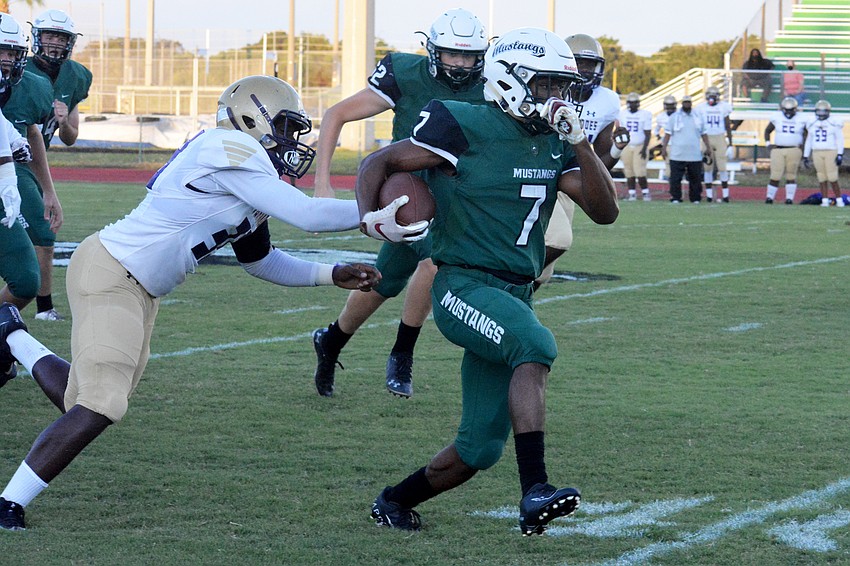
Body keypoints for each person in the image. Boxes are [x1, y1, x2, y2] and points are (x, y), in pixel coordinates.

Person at [0, 75, 384, 531]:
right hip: (112, 271)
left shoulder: (247, 170)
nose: (290, 139)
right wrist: (376, 212)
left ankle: (11, 332)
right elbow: (307, 214)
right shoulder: (227, 146)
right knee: (101, 404)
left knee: (80, 401)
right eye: (283, 125)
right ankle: (8, 503)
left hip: (136, 286)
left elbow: (260, 260)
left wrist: (329, 274)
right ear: (251, 116)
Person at [356, 28, 619, 536]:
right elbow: (380, 161)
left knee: (479, 448)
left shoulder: (552, 141)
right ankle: (536, 489)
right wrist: (369, 216)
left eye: (563, 88)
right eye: (547, 85)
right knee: (534, 343)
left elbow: (604, 211)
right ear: (511, 81)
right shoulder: (461, 122)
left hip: (516, 291)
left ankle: (394, 501)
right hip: (463, 286)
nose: (558, 98)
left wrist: (580, 141)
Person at [311, 8, 488, 398]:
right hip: (406, 193)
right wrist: (322, 180)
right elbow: (336, 113)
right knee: (385, 282)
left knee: (429, 263)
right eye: (452, 55)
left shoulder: (492, 86)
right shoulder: (405, 73)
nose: (460, 65)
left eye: (468, 56)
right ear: (431, 51)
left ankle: (381, 349)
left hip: (455, 194)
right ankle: (342, 343)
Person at [534, 32, 628, 290]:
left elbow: (595, 168)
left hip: (569, 180)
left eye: (591, 64)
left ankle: (518, 301)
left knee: (543, 274)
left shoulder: (608, 101)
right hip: (540, 171)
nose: (585, 70)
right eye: (580, 63)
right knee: (558, 240)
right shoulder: (548, 88)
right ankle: (504, 282)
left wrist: (617, 150)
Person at [0, 13, 61, 321]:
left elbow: (25, 131)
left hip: (5, 182)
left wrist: (48, 189)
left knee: (25, 279)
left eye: (13, 53)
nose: (9, 61)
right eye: (3, 52)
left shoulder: (22, 87)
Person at [662, 95, 713, 203]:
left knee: (695, 179)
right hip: (677, 153)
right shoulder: (674, 117)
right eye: (685, 102)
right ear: (682, 103)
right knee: (675, 178)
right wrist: (664, 147)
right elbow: (667, 134)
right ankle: (675, 197)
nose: (687, 104)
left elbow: (704, 134)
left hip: (694, 154)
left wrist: (708, 147)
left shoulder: (698, 117)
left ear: (691, 103)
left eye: (688, 102)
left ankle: (695, 198)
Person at [764, 97, 808, 204]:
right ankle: (769, 198)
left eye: (791, 110)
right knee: (775, 175)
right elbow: (767, 130)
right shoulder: (777, 117)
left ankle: (789, 198)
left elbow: (807, 134)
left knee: (791, 175)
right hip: (778, 149)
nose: (788, 112)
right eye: (787, 110)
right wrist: (768, 144)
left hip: (794, 149)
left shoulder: (802, 118)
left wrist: (803, 148)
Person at [694, 85, 734, 203]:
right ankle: (709, 196)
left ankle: (726, 196)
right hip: (706, 138)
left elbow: (728, 126)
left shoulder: (724, 107)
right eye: (710, 96)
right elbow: (697, 125)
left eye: (714, 96)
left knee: (722, 167)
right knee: (707, 168)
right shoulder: (700, 108)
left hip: (720, 137)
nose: (712, 99)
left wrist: (731, 143)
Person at [803, 100, 845, 207]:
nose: (821, 114)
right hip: (817, 151)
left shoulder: (834, 122)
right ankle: (825, 200)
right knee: (821, 177)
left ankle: (839, 199)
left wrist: (840, 154)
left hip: (830, 151)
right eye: (819, 111)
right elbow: (809, 140)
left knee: (832, 177)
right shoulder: (812, 123)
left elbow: (840, 139)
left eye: (823, 111)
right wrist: (805, 155)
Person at [617, 92, 652, 201]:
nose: (632, 105)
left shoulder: (645, 114)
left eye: (635, 102)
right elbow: (620, 130)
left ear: (638, 103)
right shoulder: (622, 114)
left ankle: (645, 193)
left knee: (639, 170)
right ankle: (632, 193)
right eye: (631, 102)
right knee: (628, 170)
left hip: (639, 145)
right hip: (626, 145)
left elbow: (647, 133)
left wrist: (644, 148)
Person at [653, 95, 677, 180]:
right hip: (668, 144)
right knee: (668, 162)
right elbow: (656, 130)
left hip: (679, 143)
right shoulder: (661, 116)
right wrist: (659, 137)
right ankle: (669, 177)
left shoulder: (680, 115)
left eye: (671, 105)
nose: (670, 107)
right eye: (668, 104)